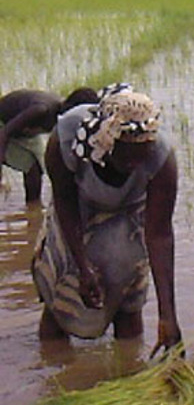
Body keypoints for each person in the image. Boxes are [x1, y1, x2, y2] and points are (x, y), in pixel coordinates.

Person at [31, 83, 182, 356]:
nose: (136, 165)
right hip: (78, 209)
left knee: (128, 293)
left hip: (129, 213)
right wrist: (83, 266)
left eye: (142, 157)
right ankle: (53, 365)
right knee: (64, 293)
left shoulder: (161, 157)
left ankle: (127, 365)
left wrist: (167, 316)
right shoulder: (66, 136)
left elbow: (159, 234)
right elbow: (64, 202)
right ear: (108, 143)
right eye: (128, 159)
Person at [0, 87, 98, 203]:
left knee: (38, 169)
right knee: (32, 169)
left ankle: (33, 210)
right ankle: (32, 206)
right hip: (4, 126)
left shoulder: (63, 117)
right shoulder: (41, 110)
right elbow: (5, 133)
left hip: (24, 131)